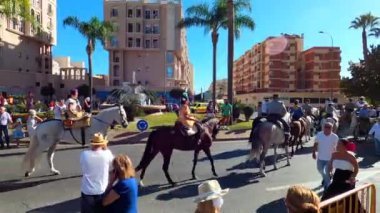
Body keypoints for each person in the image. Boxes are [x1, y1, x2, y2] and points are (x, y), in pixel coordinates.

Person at [80, 133, 114, 213]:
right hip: (102, 190)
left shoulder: (84, 154)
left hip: (87, 191)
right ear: (103, 144)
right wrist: (106, 148)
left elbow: (82, 166)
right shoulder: (107, 154)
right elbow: (113, 163)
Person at [312, 122, 339, 190]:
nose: (327, 128)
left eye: (329, 127)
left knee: (325, 172)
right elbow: (315, 143)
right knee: (320, 170)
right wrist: (313, 152)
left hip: (330, 159)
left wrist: (336, 157)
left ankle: (327, 188)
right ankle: (327, 178)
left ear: (332, 129)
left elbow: (337, 148)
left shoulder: (335, 137)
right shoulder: (319, 134)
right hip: (320, 158)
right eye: (326, 127)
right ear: (323, 128)